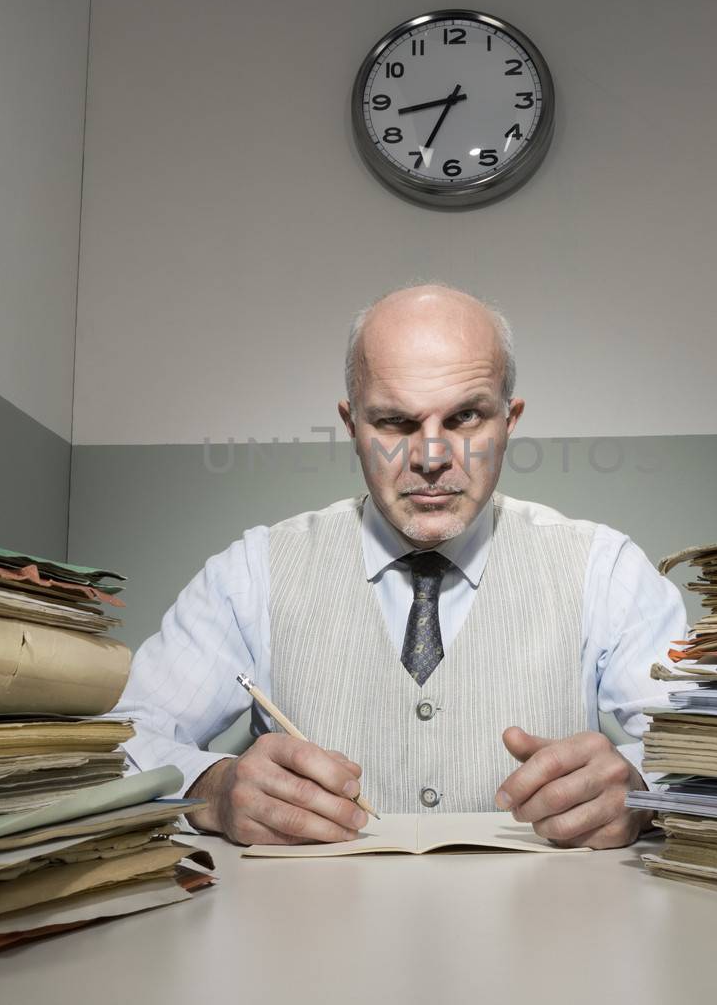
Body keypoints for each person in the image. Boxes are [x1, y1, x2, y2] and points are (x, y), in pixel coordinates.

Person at [112, 283, 684, 848]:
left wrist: (638, 790)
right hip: (307, 934)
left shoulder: (606, 570)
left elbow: (709, 751)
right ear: (351, 425)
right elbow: (118, 742)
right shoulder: (251, 573)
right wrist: (213, 790)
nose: (431, 458)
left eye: (464, 417)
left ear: (509, 421)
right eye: (393, 422)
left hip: (546, 932)